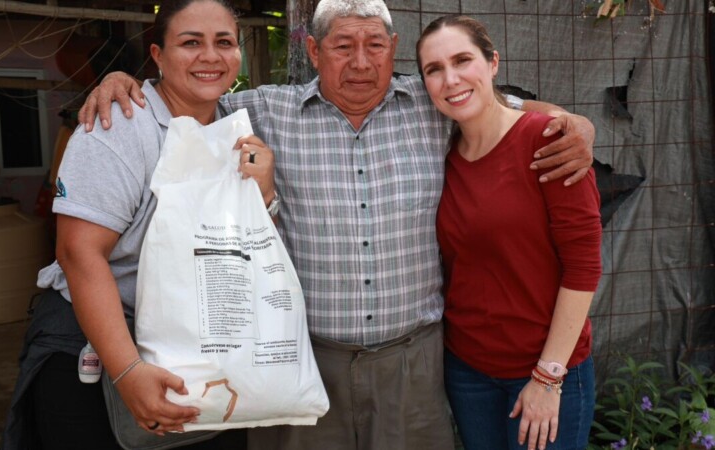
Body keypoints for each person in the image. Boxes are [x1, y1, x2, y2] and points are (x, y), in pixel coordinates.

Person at [77, 2, 596, 449]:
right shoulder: (261, 110)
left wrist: (577, 124)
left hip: (413, 362)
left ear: (394, 49)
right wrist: (123, 82)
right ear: (313, 51)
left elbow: (506, 109)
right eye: (343, 46)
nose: (361, 62)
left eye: (375, 46)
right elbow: (188, 94)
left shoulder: (435, 102)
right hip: (306, 357)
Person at [2, 1, 275, 448]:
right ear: (158, 55)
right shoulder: (120, 124)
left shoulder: (236, 126)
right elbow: (78, 252)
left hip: (201, 344)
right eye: (191, 42)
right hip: (100, 341)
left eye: (224, 42)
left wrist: (264, 194)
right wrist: (127, 371)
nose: (210, 56)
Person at [417, 15, 602, 450]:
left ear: (493, 62)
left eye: (462, 60)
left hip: (545, 371)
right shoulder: (443, 153)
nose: (451, 79)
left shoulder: (550, 141)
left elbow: (583, 266)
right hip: (468, 371)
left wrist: (547, 376)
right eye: (434, 69)